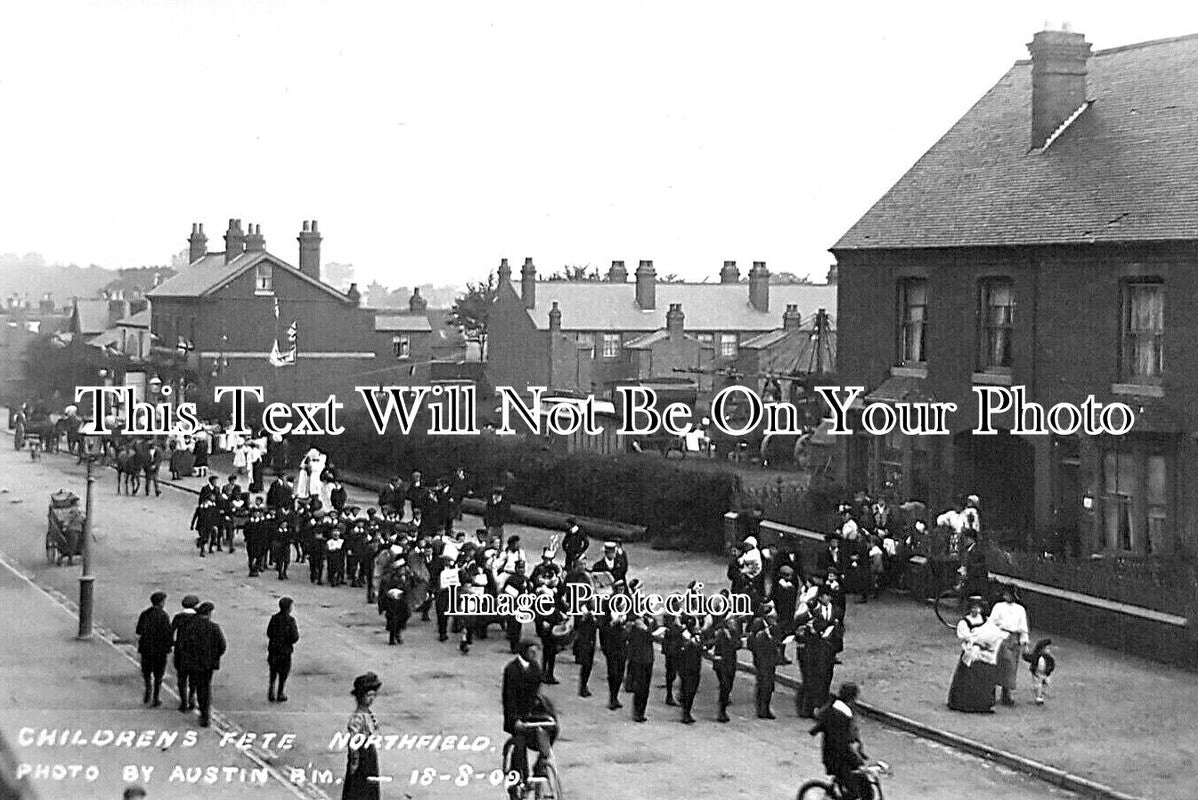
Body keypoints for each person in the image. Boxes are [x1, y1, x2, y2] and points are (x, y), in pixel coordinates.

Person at [502, 642, 557, 795]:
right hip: (517, 716)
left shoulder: (535, 667)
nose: (535, 653)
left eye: (536, 650)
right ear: (524, 652)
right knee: (519, 745)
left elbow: (538, 693)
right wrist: (514, 720)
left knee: (551, 731)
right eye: (532, 650)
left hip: (532, 713)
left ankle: (541, 765)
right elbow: (509, 698)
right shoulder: (511, 670)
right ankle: (519, 779)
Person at [809, 683, 873, 800]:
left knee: (864, 785)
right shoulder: (840, 715)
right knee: (854, 791)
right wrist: (857, 761)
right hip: (836, 759)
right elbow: (841, 744)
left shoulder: (837, 708)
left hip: (837, 756)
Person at [947, 597, 1001, 713]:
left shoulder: (986, 620)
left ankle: (983, 704)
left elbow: (993, 631)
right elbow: (966, 637)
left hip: (986, 652)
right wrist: (977, 642)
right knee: (968, 678)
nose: (976, 610)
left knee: (985, 677)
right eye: (973, 607)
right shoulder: (964, 622)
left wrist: (989, 642)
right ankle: (964, 704)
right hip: (972, 652)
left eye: (978, 607)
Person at [178, 602, 226, 727]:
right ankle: (205, 714)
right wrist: (214, 657)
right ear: (209, 613)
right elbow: (222, 646)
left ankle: (197, 707)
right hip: (208, 665)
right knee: (205, 688)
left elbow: (184, 644)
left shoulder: (191, 626)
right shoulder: (213, 627)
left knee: (198, 687)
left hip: (193, 663)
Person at [343, 673, 382, 800]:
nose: (371, 699)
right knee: (359, 788)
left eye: (373, 695)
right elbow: (353, 742)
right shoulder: (357, 718)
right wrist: (354, 761)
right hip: (362, 756)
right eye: (368, 696)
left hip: (370, 755)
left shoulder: (368, 714)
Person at [988, 584, 1030, 706]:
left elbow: (1023, 627)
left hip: (1013, 639)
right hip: (1000, 637)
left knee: (1011, 666)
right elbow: (992, 622)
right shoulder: (998, 607)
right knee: (998, 663)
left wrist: (1024, 642)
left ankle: (1007, 692)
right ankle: (992, 691)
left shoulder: (1020, 609)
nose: (1006, 596)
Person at [135, 591, 172, 707]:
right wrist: (168, 647)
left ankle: (148, 690)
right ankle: (156, 697)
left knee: (146, 672)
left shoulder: (145, 614)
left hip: (146, 649)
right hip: (160, 651)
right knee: (158, 676)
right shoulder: (164, 616)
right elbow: (168, 634)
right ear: (161, 603)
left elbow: (138, 631)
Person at [170, 595, 199, 712]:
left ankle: (183, 702)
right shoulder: (198, 619)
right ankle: (192, 697)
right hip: (194, 653)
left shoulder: (178, 617)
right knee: (193, 678)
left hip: (181, 652)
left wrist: (173, 644)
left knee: (181, 678)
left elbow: (171, 632)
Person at [267, 597, 299, 703]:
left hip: (274, 649)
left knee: (273, 670)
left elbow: (269, 632)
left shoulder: (274, 618)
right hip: (285, 651)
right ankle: (280, 692)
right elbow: (295, 636)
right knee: (283, 672)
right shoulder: (290, 620)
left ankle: (271, 689)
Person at [626, 614, 655, 723]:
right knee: (639, 686)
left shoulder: (649, 620)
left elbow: (653, 636)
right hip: (637, 658)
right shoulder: (634, 622)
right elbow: (628, 636)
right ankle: (637, 712)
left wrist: (647, 627)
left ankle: (642, 711)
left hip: (648, 658)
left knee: (646, 688)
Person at [599, 612, 629, 711]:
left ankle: (615, 697)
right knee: (613, 674)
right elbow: (603, 630)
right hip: (611, 648)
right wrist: (613, 623)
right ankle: (612, 697)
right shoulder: (608, 616)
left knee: (620, 674)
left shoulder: (625, 615)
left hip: (622, 648)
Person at [676, 619, 703, 724]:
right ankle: (685, 713)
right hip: (686, 667)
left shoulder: (696, 636)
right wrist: (690, 643)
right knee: (687, 690)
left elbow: (701, 647)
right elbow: (680, 650)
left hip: (696, 667)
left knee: (692, 691)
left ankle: (688, 710)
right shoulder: (684, 636)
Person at [1025, 638, 1055, 705]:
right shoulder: (1036, 656)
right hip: (1036, 673)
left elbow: (1052, 665)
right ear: (1041, 649)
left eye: (1049, 649)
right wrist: (1025, 651)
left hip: (1045, 673)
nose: (1049, 651)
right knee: (1037, 685)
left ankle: (1042, 691)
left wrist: (1049, 670)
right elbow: (1028, 657)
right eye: (1047, 649)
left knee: (1047, 683)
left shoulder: (1049, 658)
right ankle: (1039, 698)